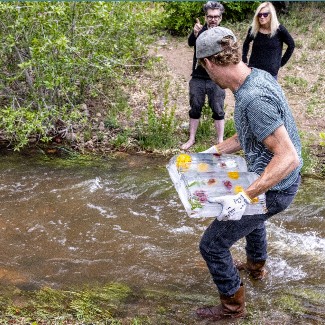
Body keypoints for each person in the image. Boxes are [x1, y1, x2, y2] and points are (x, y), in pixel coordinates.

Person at [193, 26, 302, 321]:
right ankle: (256, 269)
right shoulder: (257, 75)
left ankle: (232, 308)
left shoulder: (253, 99)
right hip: (271, 180)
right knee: (254, 220)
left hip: (277, 186)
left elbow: (288, 157)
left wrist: (245, 196)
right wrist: (214, 151)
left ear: (209, 64)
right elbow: (248, 134)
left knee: (212, 245)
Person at [181, 1, 225, 150]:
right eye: (210, 16)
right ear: (206, 17)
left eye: (216, 17)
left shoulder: (224, 33)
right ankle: (191, 139)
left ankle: (220, 141)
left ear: (220, 18)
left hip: (217, 78)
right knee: (195, 107)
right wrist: (195, 34)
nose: (213, 19)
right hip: (198, 77)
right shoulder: (199, 29)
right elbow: (190, 43)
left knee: (218, 109)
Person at [242, 2, 295, 79]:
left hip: (271, 74)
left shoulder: (279, 30)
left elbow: (291, 45)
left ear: (271, 15)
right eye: (259, 15)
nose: (262, 17)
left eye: (265, 14)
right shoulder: (254, 29)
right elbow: (246, 43)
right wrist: (244, 59)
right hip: (254, 71)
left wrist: (281, 63)